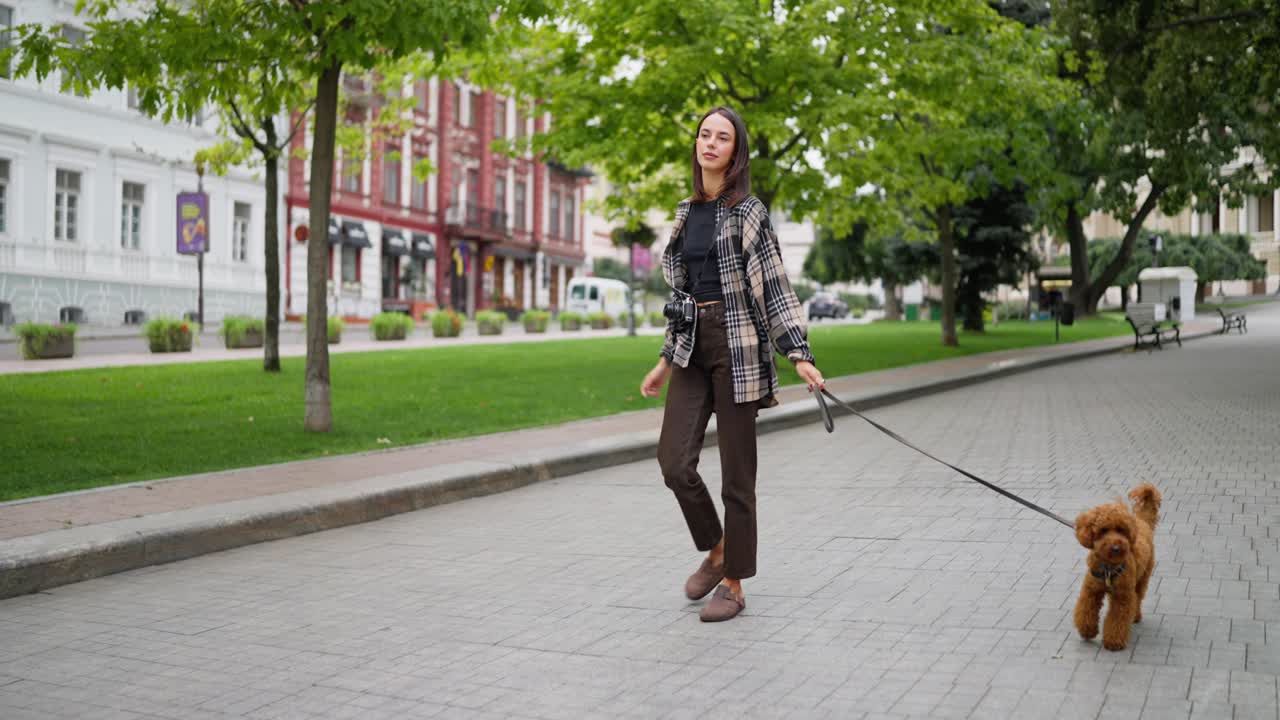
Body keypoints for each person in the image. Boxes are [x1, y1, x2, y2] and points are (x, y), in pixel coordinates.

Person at [640, 106, 824, 622]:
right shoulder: (684, 213)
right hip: (690, 347)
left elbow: (773, 286)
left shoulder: (749, 211)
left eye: (722, 137)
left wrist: (799, 354)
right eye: (704, 134)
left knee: (737, 478)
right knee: (674, 463)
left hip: (738, 345)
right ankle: (718, 548)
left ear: (735, 151)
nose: (711, 143)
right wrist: (662, 360)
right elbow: (684, 293)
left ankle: (735, 584)